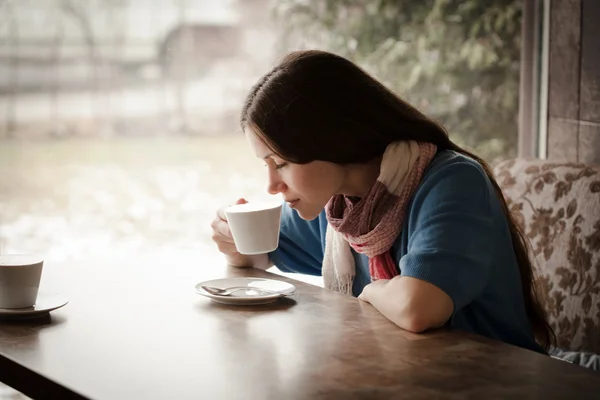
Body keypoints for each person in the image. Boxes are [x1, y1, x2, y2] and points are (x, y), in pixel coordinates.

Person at [210, 49, 554, 354]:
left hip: (498, 380)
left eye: (281, 163)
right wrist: (233, 236)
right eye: (265, 165)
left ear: (329, 140)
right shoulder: (337, 208)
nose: (271, 185)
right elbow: (259, 254)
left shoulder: (452, 182)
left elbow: (418, 307)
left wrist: (371, 290)